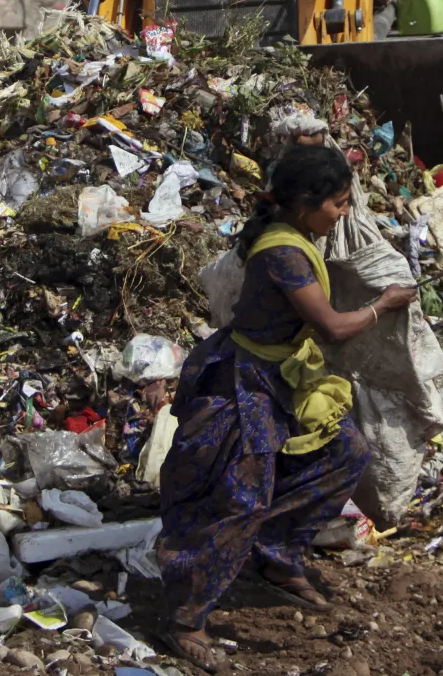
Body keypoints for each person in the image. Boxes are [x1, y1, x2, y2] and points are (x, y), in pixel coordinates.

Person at [157, 145, 416, 672]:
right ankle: (187, 617)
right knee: (239, 498)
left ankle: (277, 555)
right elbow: (332, 327)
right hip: (244, 381)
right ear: (304, 204)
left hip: (282, 375)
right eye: (338, 204)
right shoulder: (284, 253)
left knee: (347, 453)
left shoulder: (299, 234)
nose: (344, 213)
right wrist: (383, 303)